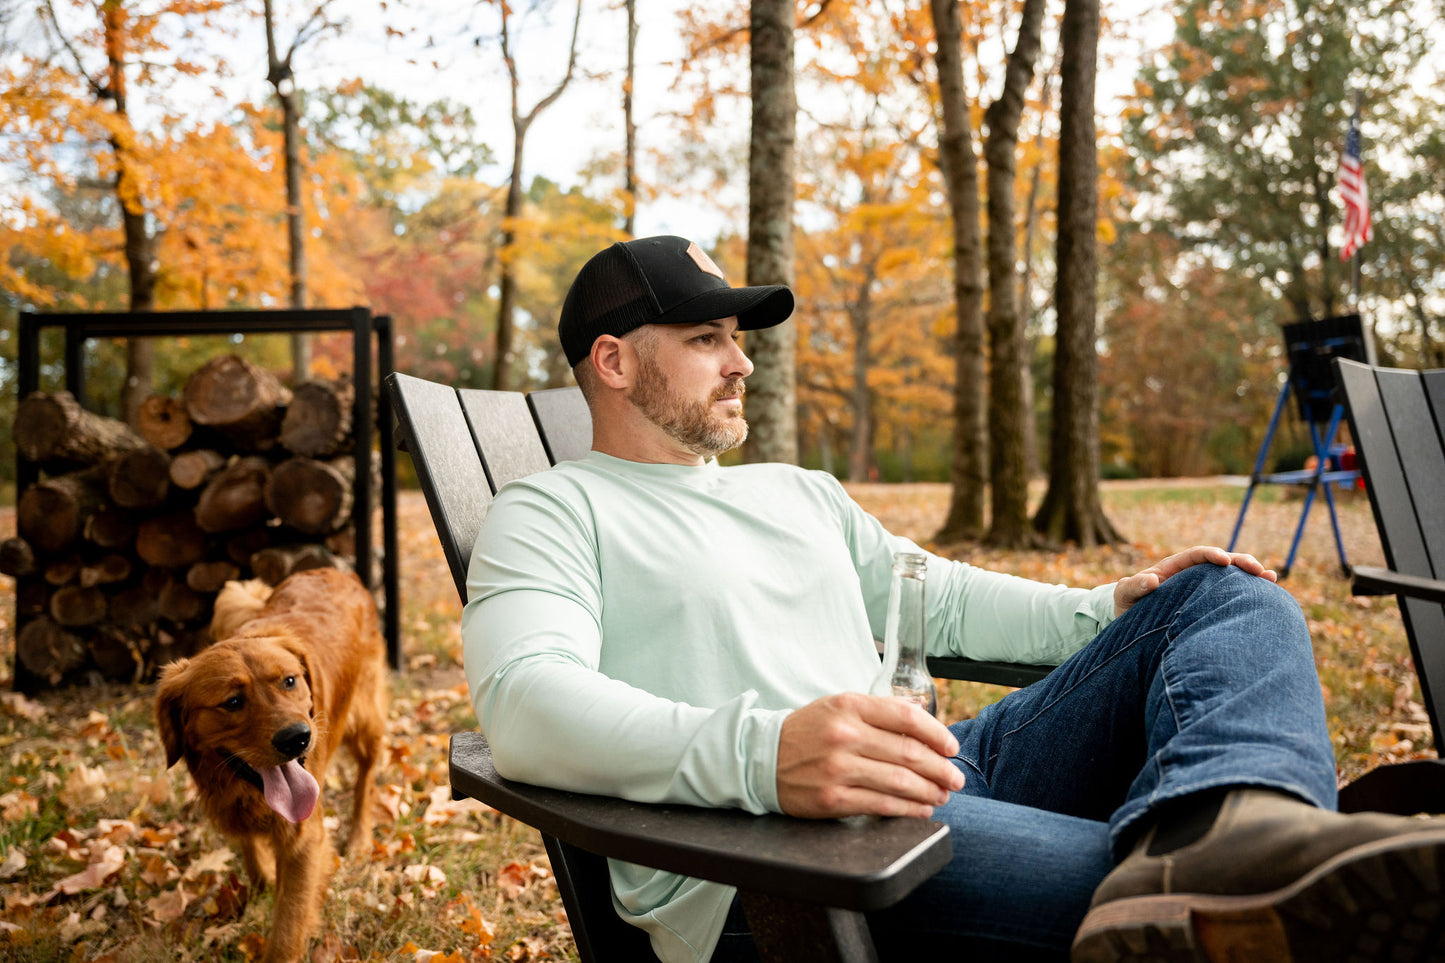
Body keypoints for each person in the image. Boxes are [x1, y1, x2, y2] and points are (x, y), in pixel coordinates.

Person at [461, 235, 1445, 963]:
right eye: (706, 337)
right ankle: (1221, 882)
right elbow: (523, 705)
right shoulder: (552, 511)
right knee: (1144, 896)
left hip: (931, 769)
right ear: (615, 361)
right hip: (775, 848)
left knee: (1224, 600)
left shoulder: (790, 489)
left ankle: (1238, 838)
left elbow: (927, 598)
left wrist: (1106, 609)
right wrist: (762, 757)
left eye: (738, 338)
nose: (740, 361)